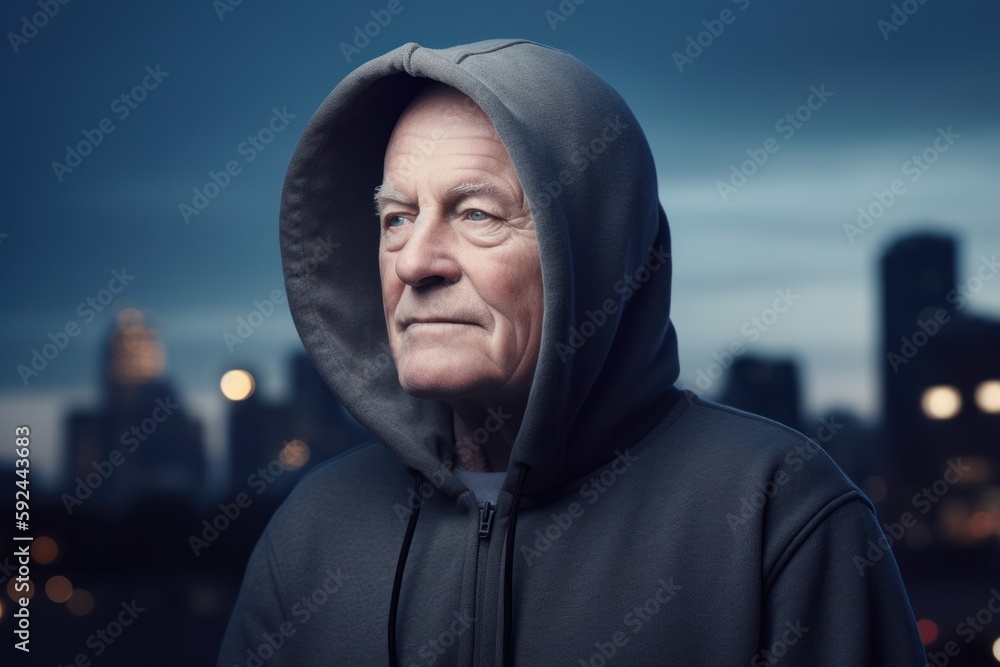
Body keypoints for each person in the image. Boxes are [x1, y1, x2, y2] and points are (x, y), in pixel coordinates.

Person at [218, 39, 925, 666]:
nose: (415, 262)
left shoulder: (779, 514)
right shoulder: (313, 534)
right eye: (396, 218)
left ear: (596, 251)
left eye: (476, 214)